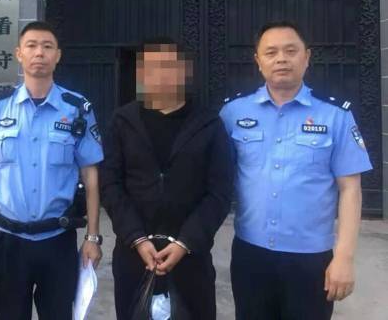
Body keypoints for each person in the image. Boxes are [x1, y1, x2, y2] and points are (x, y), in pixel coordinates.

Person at [219, 21, 373, 320]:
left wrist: (344, 257)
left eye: (291, 51)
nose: (281, 59)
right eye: (271, 52)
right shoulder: (233, 113)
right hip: (251, 254)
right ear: (258, 61)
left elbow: (350, 189)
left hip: (311, 258)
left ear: (307, 57)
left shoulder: (335, 115)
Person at [0, 20, 103, 320]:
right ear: (19, 54)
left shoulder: (76, 109)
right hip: (7, 242)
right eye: (31, 46)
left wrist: (93, 237)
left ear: (57, 56)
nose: (39, 53)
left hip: (57, 240)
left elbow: (91, 175)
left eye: (47, 47)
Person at [100, 40, 234, 320]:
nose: (160, 74)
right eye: (151, 67)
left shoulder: (208, 124)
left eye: (169, 66)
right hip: (135, 255)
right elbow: (110, 184)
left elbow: (219, 192)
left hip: (191, 256)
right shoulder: (122, 121)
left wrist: (186, 241)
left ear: (185, 71)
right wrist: (136, 237)